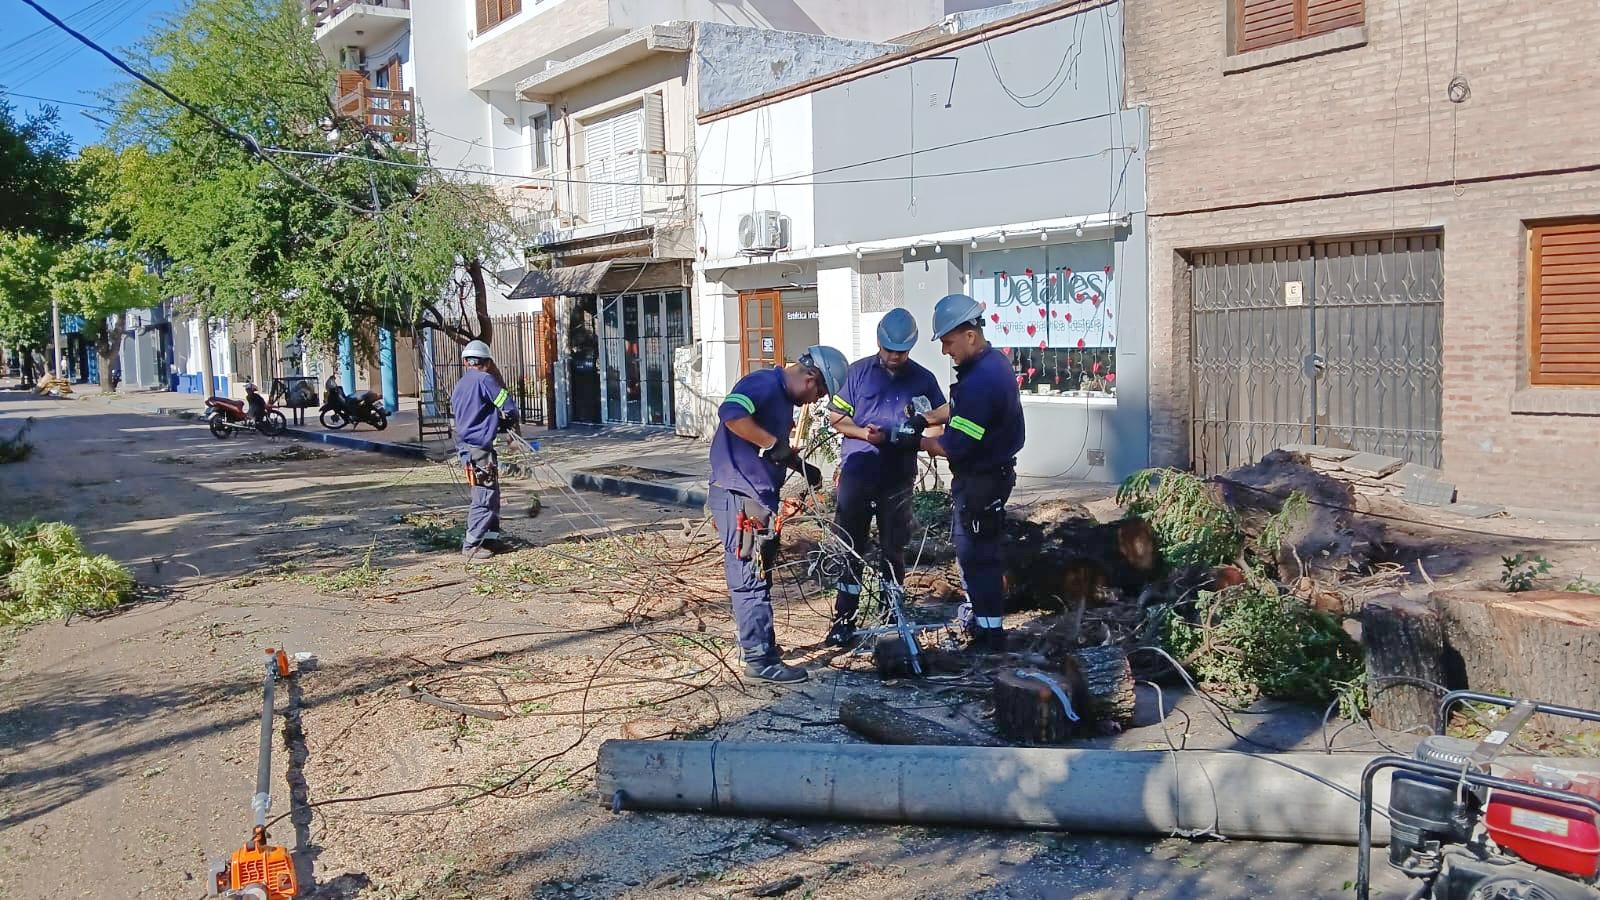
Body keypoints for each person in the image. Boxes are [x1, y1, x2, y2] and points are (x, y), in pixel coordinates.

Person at [709, 345, 849, 683]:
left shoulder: (782, 397)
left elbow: (774, 448)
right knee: (750, 578)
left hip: (757, 495)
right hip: (741, 495)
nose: (816, 400)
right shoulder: (763, 384)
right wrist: (774, 444)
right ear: (810, 377)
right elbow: (731, 414)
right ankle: (759, 661)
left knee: (760, 573)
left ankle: (758, 644)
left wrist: (801, 466)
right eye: (821, 393)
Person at [823, 308, 948, 647]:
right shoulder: (858, 373)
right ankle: (844, 618)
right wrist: (864, 434)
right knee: (851, 546)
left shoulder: (922, 379)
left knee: (894, 546)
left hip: (898, 475)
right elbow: (836, 418)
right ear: (879, 342)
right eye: (889, 349)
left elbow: (938, 422)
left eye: (901, 351)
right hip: (859, 471)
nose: (894, 357)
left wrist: (919, 433)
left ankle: (892, 613)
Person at [918, 294, 1025, 652]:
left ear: (969, 335)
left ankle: (990, 634)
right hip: (989, 475)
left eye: (948, 342)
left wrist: (912, 441)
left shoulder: (981, 381)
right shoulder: (991, 364)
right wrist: (931, 417)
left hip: (982, 480)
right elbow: (961, 411)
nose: (946, 350)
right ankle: (983, 621)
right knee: (976, 550)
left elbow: (954, 445)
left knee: (977, 555)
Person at [450, 339, 519, 562]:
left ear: (466, 363)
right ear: (487, 362)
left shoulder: (460, 385)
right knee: (485, 495)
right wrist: (508, 422)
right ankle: (471, 544)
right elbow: (506, 405)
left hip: (467, 447)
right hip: (479, 449)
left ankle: (490, 539)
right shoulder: (486, 379)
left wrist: (494, 425)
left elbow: (472, 416)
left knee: (493, 494)